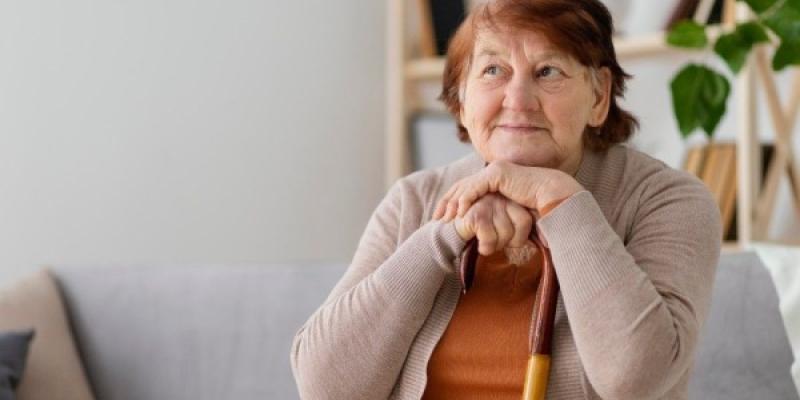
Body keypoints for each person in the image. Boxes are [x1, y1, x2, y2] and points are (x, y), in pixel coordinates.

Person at [290, 0, 722, 399]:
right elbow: (325, 387)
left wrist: (560, 200)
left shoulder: (668, 201)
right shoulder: (413, 200)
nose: (518, 100)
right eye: (493, 70)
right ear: (461, 100)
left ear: (599, 96)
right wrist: (445, 234)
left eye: (548, 71)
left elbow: (634, 379)